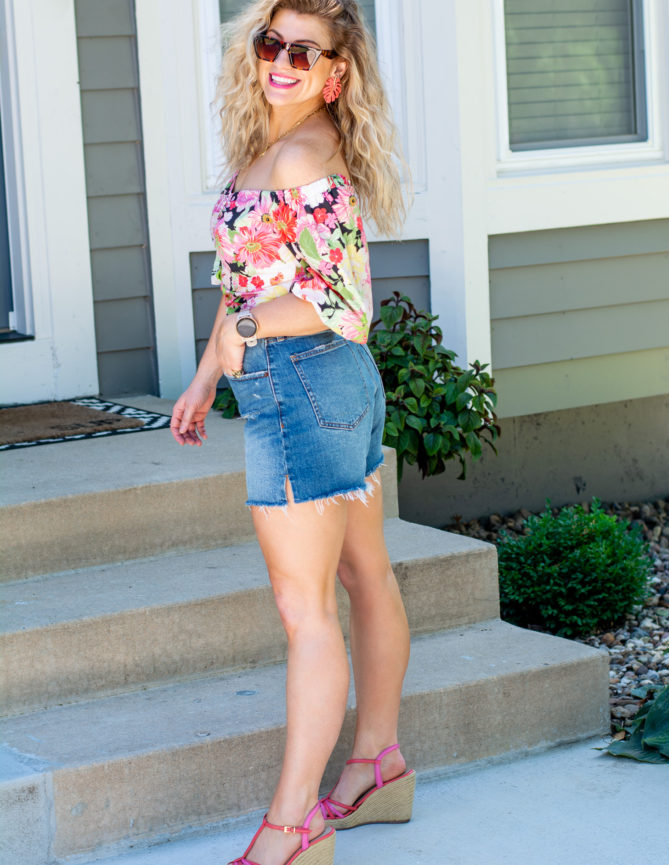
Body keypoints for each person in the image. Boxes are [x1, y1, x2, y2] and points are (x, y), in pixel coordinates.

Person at [170, 2, 413, 864]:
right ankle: (378, 763)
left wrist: (242, 333)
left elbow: (346, 304)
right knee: (361, 572)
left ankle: (291, 826)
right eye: (271, 42)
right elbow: (245, 283)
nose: (281, 59)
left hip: (305, 380)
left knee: (303, 611)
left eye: (304, 51)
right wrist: (207, 372)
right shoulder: (263, 156)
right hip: (318, 384)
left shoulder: (307, 158)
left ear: (335, 74)